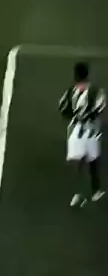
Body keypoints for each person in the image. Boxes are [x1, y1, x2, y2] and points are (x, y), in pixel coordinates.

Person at [59, 62, 106, 207]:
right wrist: (91, 117)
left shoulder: (70, 92)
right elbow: (101, 107)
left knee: (77, 162)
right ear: (87, 75)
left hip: (76, 131)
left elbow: (62, 108)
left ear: (75, 76)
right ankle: (96, 191)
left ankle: (78, 194)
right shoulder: (95, 91)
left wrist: (74, 117)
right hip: (91, 131)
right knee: (93, 160)